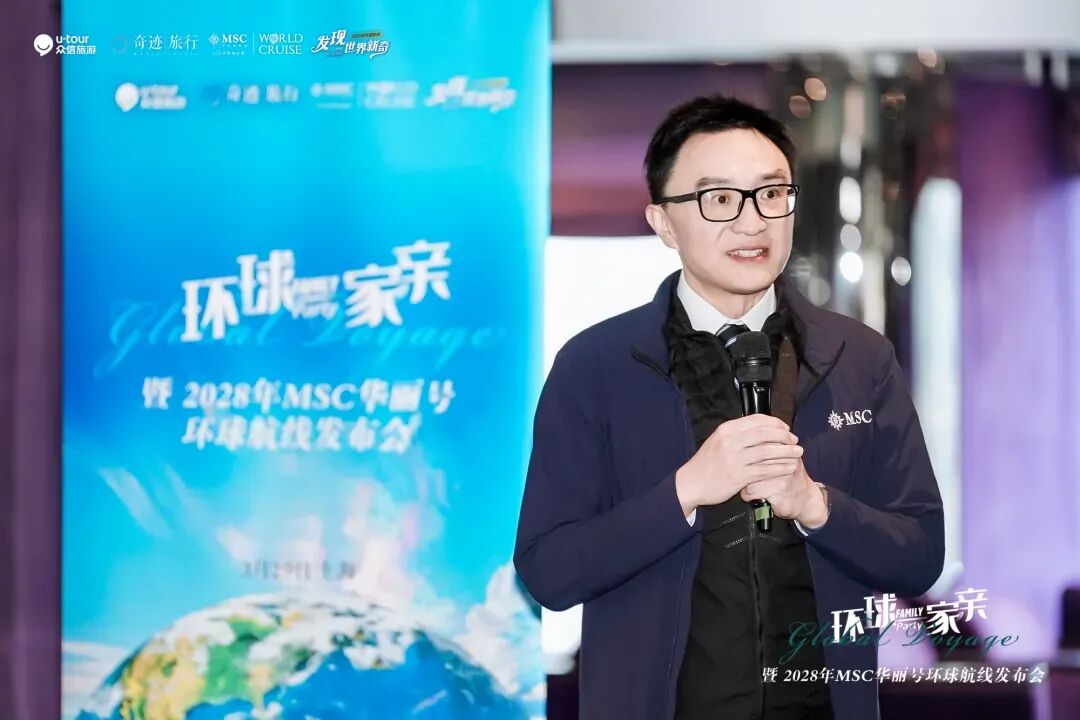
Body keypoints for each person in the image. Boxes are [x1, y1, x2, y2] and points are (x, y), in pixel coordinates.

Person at [513, 94, 945, 720]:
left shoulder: (860, 357)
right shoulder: (596, 365)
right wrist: (685, 492)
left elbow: (919, 553)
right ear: (663, 222)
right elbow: (549, 571)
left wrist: (816, 505)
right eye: (719, 199)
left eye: (771, 194)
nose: (752, 222)